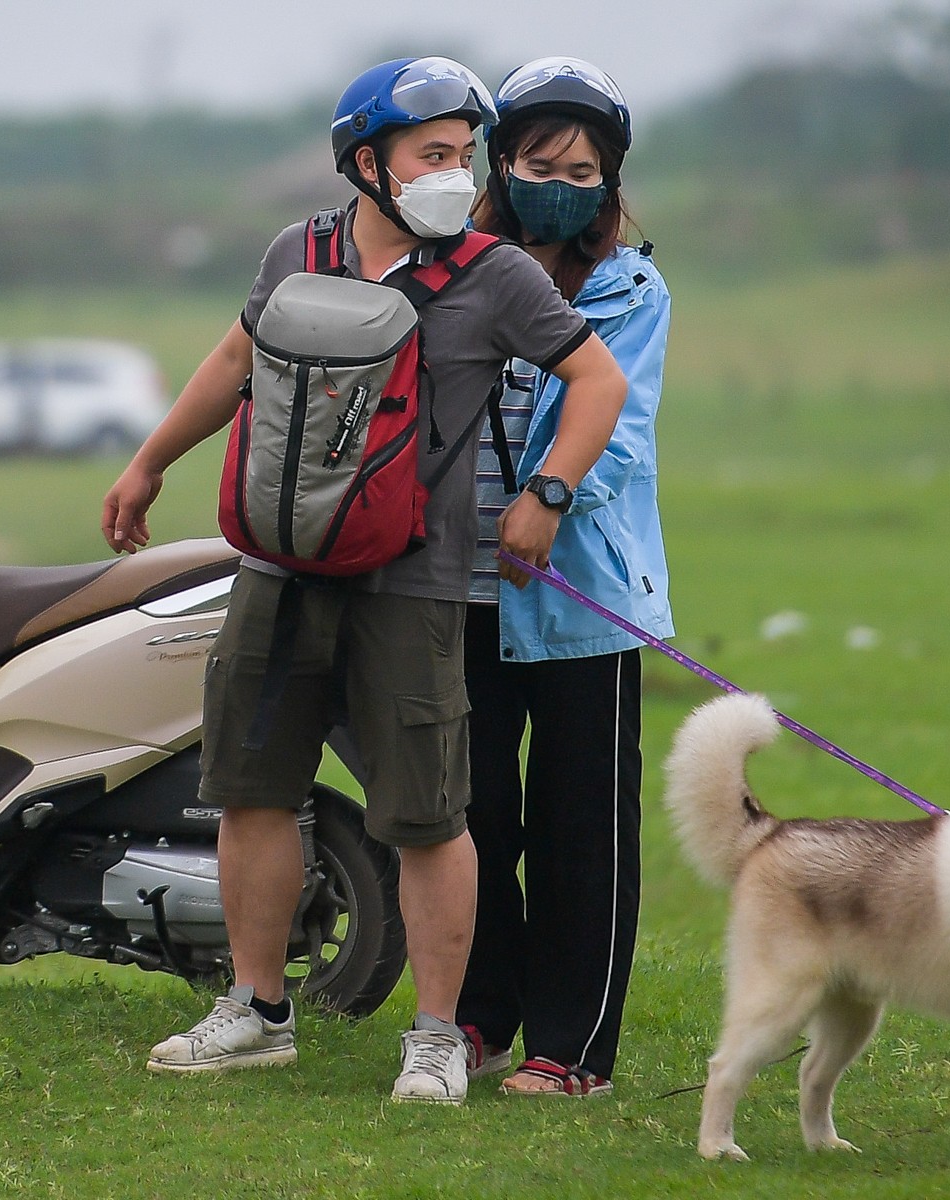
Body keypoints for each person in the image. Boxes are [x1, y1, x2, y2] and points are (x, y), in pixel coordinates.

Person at [100, 56, 628, 1104]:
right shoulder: (299, 252)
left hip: (414, 583)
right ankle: (256, 1009)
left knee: (430, 813)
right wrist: (149, 460)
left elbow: (595, 380)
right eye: (431, 152)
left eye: (461, 153)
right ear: (364, 163)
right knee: (252, 790)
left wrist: (548, 494)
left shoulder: (496, 275)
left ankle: (437, 1040)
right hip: (276, 565)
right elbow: (231, 359)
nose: (453, 171)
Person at [452, 56, 674, 1098]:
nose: (559, 181)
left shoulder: (634, 286)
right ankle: (476, 1018)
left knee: (582, 826)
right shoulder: (450, 264)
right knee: (474, 812)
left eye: (582, 169)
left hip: (582, 596)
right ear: (502, 162)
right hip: (456, 587)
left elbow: (616, 430)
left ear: (610, 182)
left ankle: (571, 1047)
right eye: (540, 161)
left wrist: (547, 496)